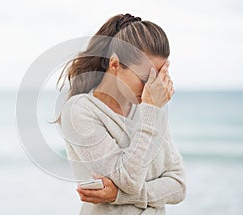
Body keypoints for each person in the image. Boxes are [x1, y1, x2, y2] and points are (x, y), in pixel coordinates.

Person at [57, 13, 186, 215]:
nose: (151, 89)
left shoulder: (151, 106)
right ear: (115, 64)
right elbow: (129, 180)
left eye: (158, 79)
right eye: (145, 79)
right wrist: (150, 110)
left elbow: (179, 185)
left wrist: (120, 196)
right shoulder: (80, 111)